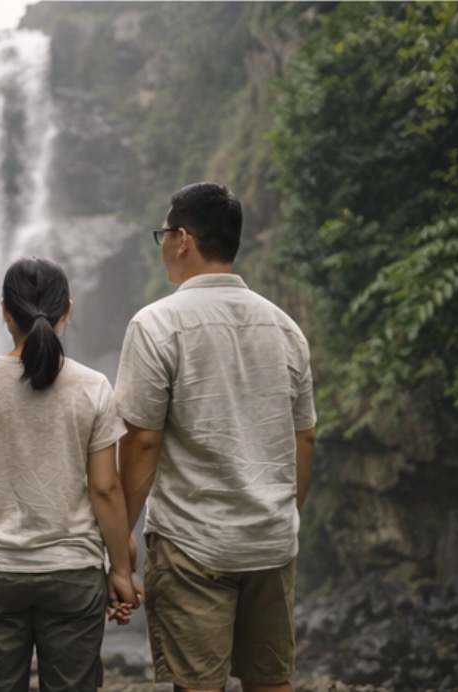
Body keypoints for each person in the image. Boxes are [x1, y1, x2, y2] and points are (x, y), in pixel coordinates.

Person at [114, 182, 317, 692]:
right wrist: (285, 517)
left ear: (182, 238)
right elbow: (305, 438)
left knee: (197, 685)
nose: (162, 245)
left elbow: (141, 442)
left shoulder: (156, 324)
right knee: (271, 682)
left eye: (163, 234)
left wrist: (119, 540)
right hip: (271, 540)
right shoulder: (286, 328)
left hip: (193, 544)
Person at [0, 256, 141, 692]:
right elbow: (105, 489)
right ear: (67, 310)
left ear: (4, 311)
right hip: (73, 574)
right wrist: (122, 570)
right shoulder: (93, 387)